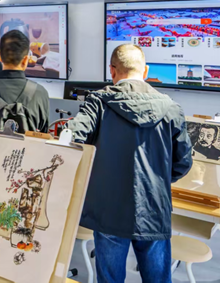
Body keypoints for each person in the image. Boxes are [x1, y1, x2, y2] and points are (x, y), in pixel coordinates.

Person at [67, 44, 193, 283]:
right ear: (145, 71)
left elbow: (72, 139)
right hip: (154, 207)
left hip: (109, 210)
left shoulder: (98, 103)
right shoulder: (171, 108)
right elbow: (183, 162)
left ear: (112, 71)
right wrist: (159, 179)